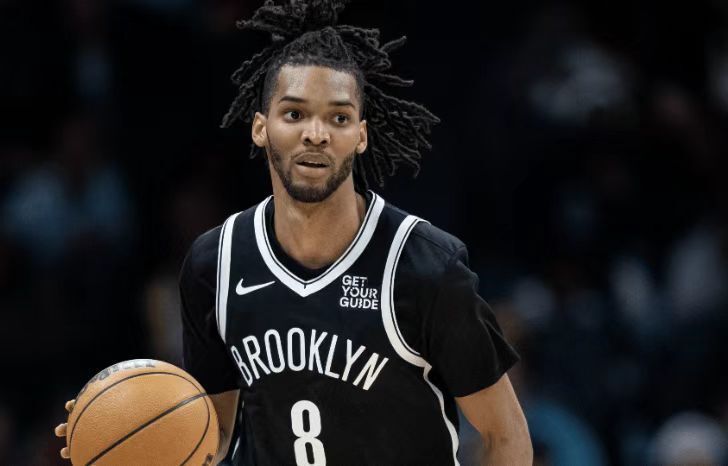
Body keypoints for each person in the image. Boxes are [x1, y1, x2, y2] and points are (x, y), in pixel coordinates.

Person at [56, 0, 532, 464]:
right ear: (260, 128)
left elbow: (505, 435)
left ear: (361, 136)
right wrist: (122, 426)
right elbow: (213, 438)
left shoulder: (425, 267)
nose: (316, 133)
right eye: (294, 114)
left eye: (339, 117)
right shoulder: (214, 264)